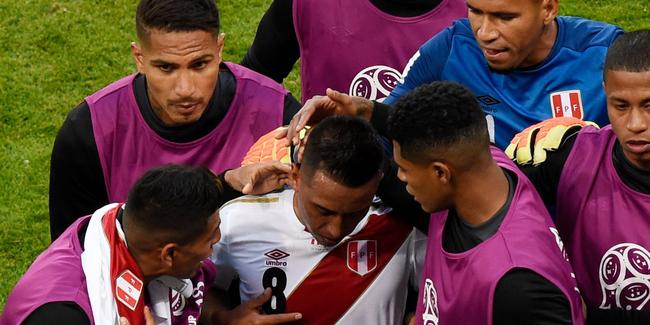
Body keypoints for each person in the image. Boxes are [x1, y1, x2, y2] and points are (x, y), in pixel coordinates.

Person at [49, 0, 302, 241]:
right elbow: (76, 256)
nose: (185, 89)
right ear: (139, 58)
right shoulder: (88, 132)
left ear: (219, 49)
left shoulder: (277, 113)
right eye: (166, 68)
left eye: (200, 64)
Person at [0, 162, 291, 325]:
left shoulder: (126, 228)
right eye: (210, 238)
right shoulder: (61, 322)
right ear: (168, 255)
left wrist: (228, 182)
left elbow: (177, 212)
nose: (217, 241)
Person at [385, 81, 588, 325]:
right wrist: (363, 112)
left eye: (404, 170)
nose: (401, 179)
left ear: (441, 173)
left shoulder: (518, 285)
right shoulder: (488, 166)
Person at [211, 116, 426, 325]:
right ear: (295, 176)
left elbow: (440, 294)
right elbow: (191, 285)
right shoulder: (238, 220)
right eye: (323, 211)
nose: (335, 230)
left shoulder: (400, 227)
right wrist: (222, 321)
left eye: (355, 213)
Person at [283, 0, 622, 149]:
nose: (486, 32)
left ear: (548, 8)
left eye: (505, 17)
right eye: (476, 11)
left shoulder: (603, 55)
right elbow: (393, 129)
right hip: (477, 236)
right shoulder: (450, 49)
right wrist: (360, 115)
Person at [506, 29, 650, 325]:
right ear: (605, 95)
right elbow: (483, 202)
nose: (635, 123)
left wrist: (583, 316)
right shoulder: (571, 155)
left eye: (649, 105)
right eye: (620, 105)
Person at [241, 0, 466, 103]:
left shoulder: (482, 12)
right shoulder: (308, 4)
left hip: (440, 190)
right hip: (328, 185)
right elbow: (252, 84)